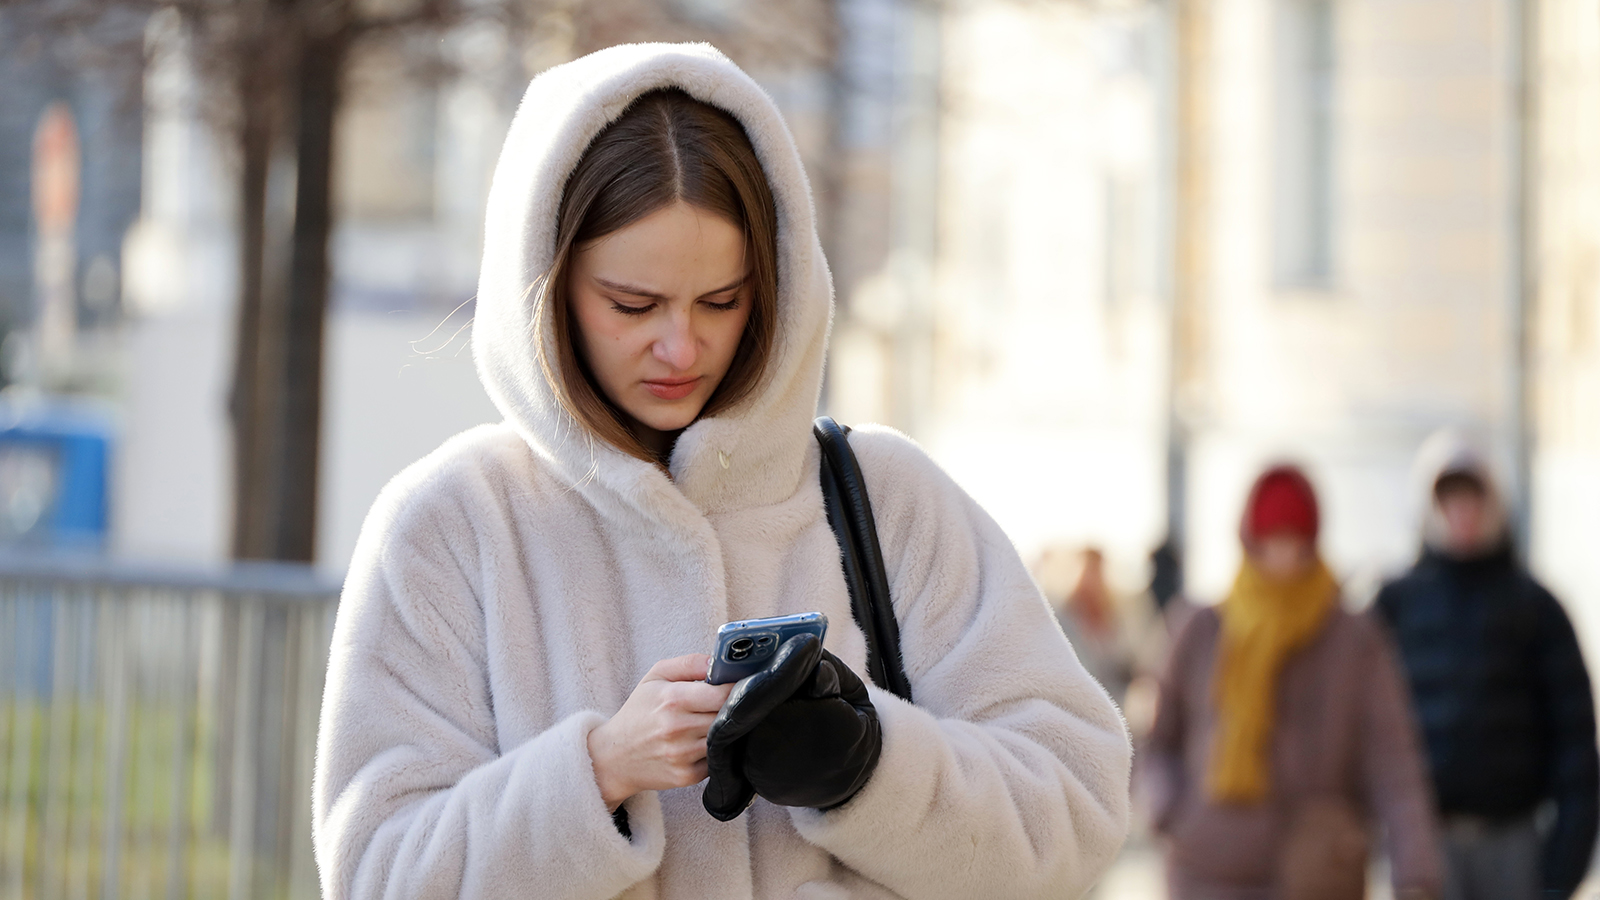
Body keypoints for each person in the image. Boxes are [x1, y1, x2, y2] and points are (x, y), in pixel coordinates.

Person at [311, 44, 1131, 900]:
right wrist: (596, 772)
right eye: (632, 305)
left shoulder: (885, 498)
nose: (681, 347)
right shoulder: (452, 526)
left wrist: (868, 764)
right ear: (546, 287)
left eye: (722, 300)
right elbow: (377, 875)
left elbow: (1078, 806)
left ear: (774, 286)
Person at [1143, 465, 1442, 900]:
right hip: (1204, 871)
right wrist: (1167, 808)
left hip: (1316, 874)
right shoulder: (1199, 629)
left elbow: (1393, 761)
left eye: (1294, 540)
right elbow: (1152, 738)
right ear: (1249, 540)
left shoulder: (1354, 638)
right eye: (1271, 540)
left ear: (1313, 542)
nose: (1282, 555)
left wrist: (1415, 875)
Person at [1375, 434, 1599, 900]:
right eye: (1449, 499)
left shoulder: (1537, 609)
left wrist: (1562, 870)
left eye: (1473, 498)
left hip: (1513, 847)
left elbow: (1576, 748)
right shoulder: (1396, 605)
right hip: (1425, 845)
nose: (1462, 513)